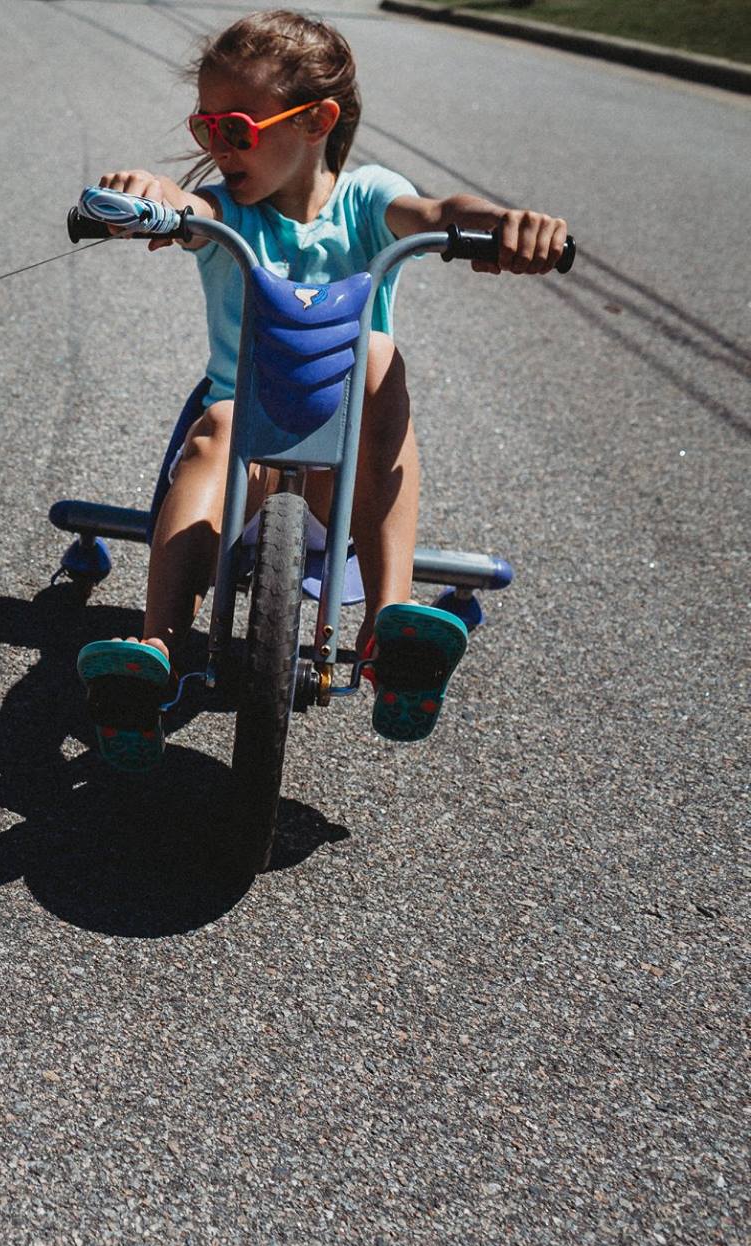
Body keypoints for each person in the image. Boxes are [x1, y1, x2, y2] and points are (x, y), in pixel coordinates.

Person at [73, 8, 568, 773]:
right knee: (222, 419)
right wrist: (151, 198)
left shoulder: (369, 201)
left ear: (317, 121)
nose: (216, 148)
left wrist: (502, 224)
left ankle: (389, 628)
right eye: (205, 129)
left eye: (235, 129)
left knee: (374, 351)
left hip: (348, 479)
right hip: (246, 461)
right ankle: (154, 655)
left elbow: (438, 214)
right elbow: (188, 204)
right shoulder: (228, 213)